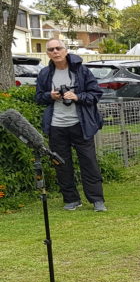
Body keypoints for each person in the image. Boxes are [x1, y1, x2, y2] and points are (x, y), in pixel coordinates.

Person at [34, 39, 107, 211]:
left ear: (65, 50)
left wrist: (77, 97)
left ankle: (97, 200)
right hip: (56, 126)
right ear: (47, 54)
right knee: (61, 164)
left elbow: (96, 94)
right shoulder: (45, 74)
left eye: (58, 48)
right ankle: (71, 200)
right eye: (51, 49)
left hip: (79, 124)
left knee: (89, 162)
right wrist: (50, 96)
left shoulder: (81, 71)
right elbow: (38, 98)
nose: (55, 52)